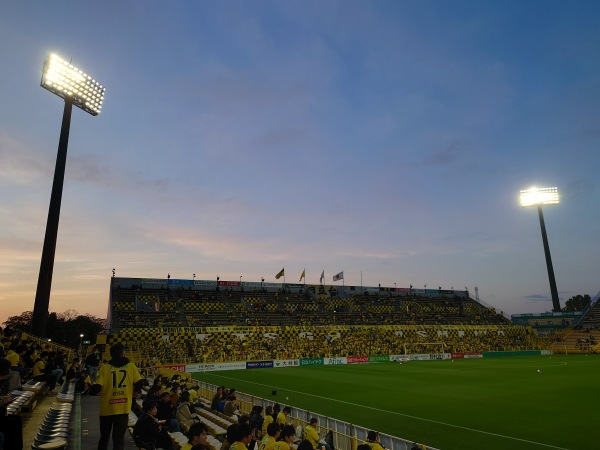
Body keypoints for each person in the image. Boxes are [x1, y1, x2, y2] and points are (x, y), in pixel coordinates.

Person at [90, 342, 145, 450]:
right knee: (119, 439)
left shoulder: (105, 368)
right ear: (123, 353)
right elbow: (139, 383)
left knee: (104, 438)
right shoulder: (131, 366)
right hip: (123, 408)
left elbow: (96, 388)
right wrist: (136, 392)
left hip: (107, 408)